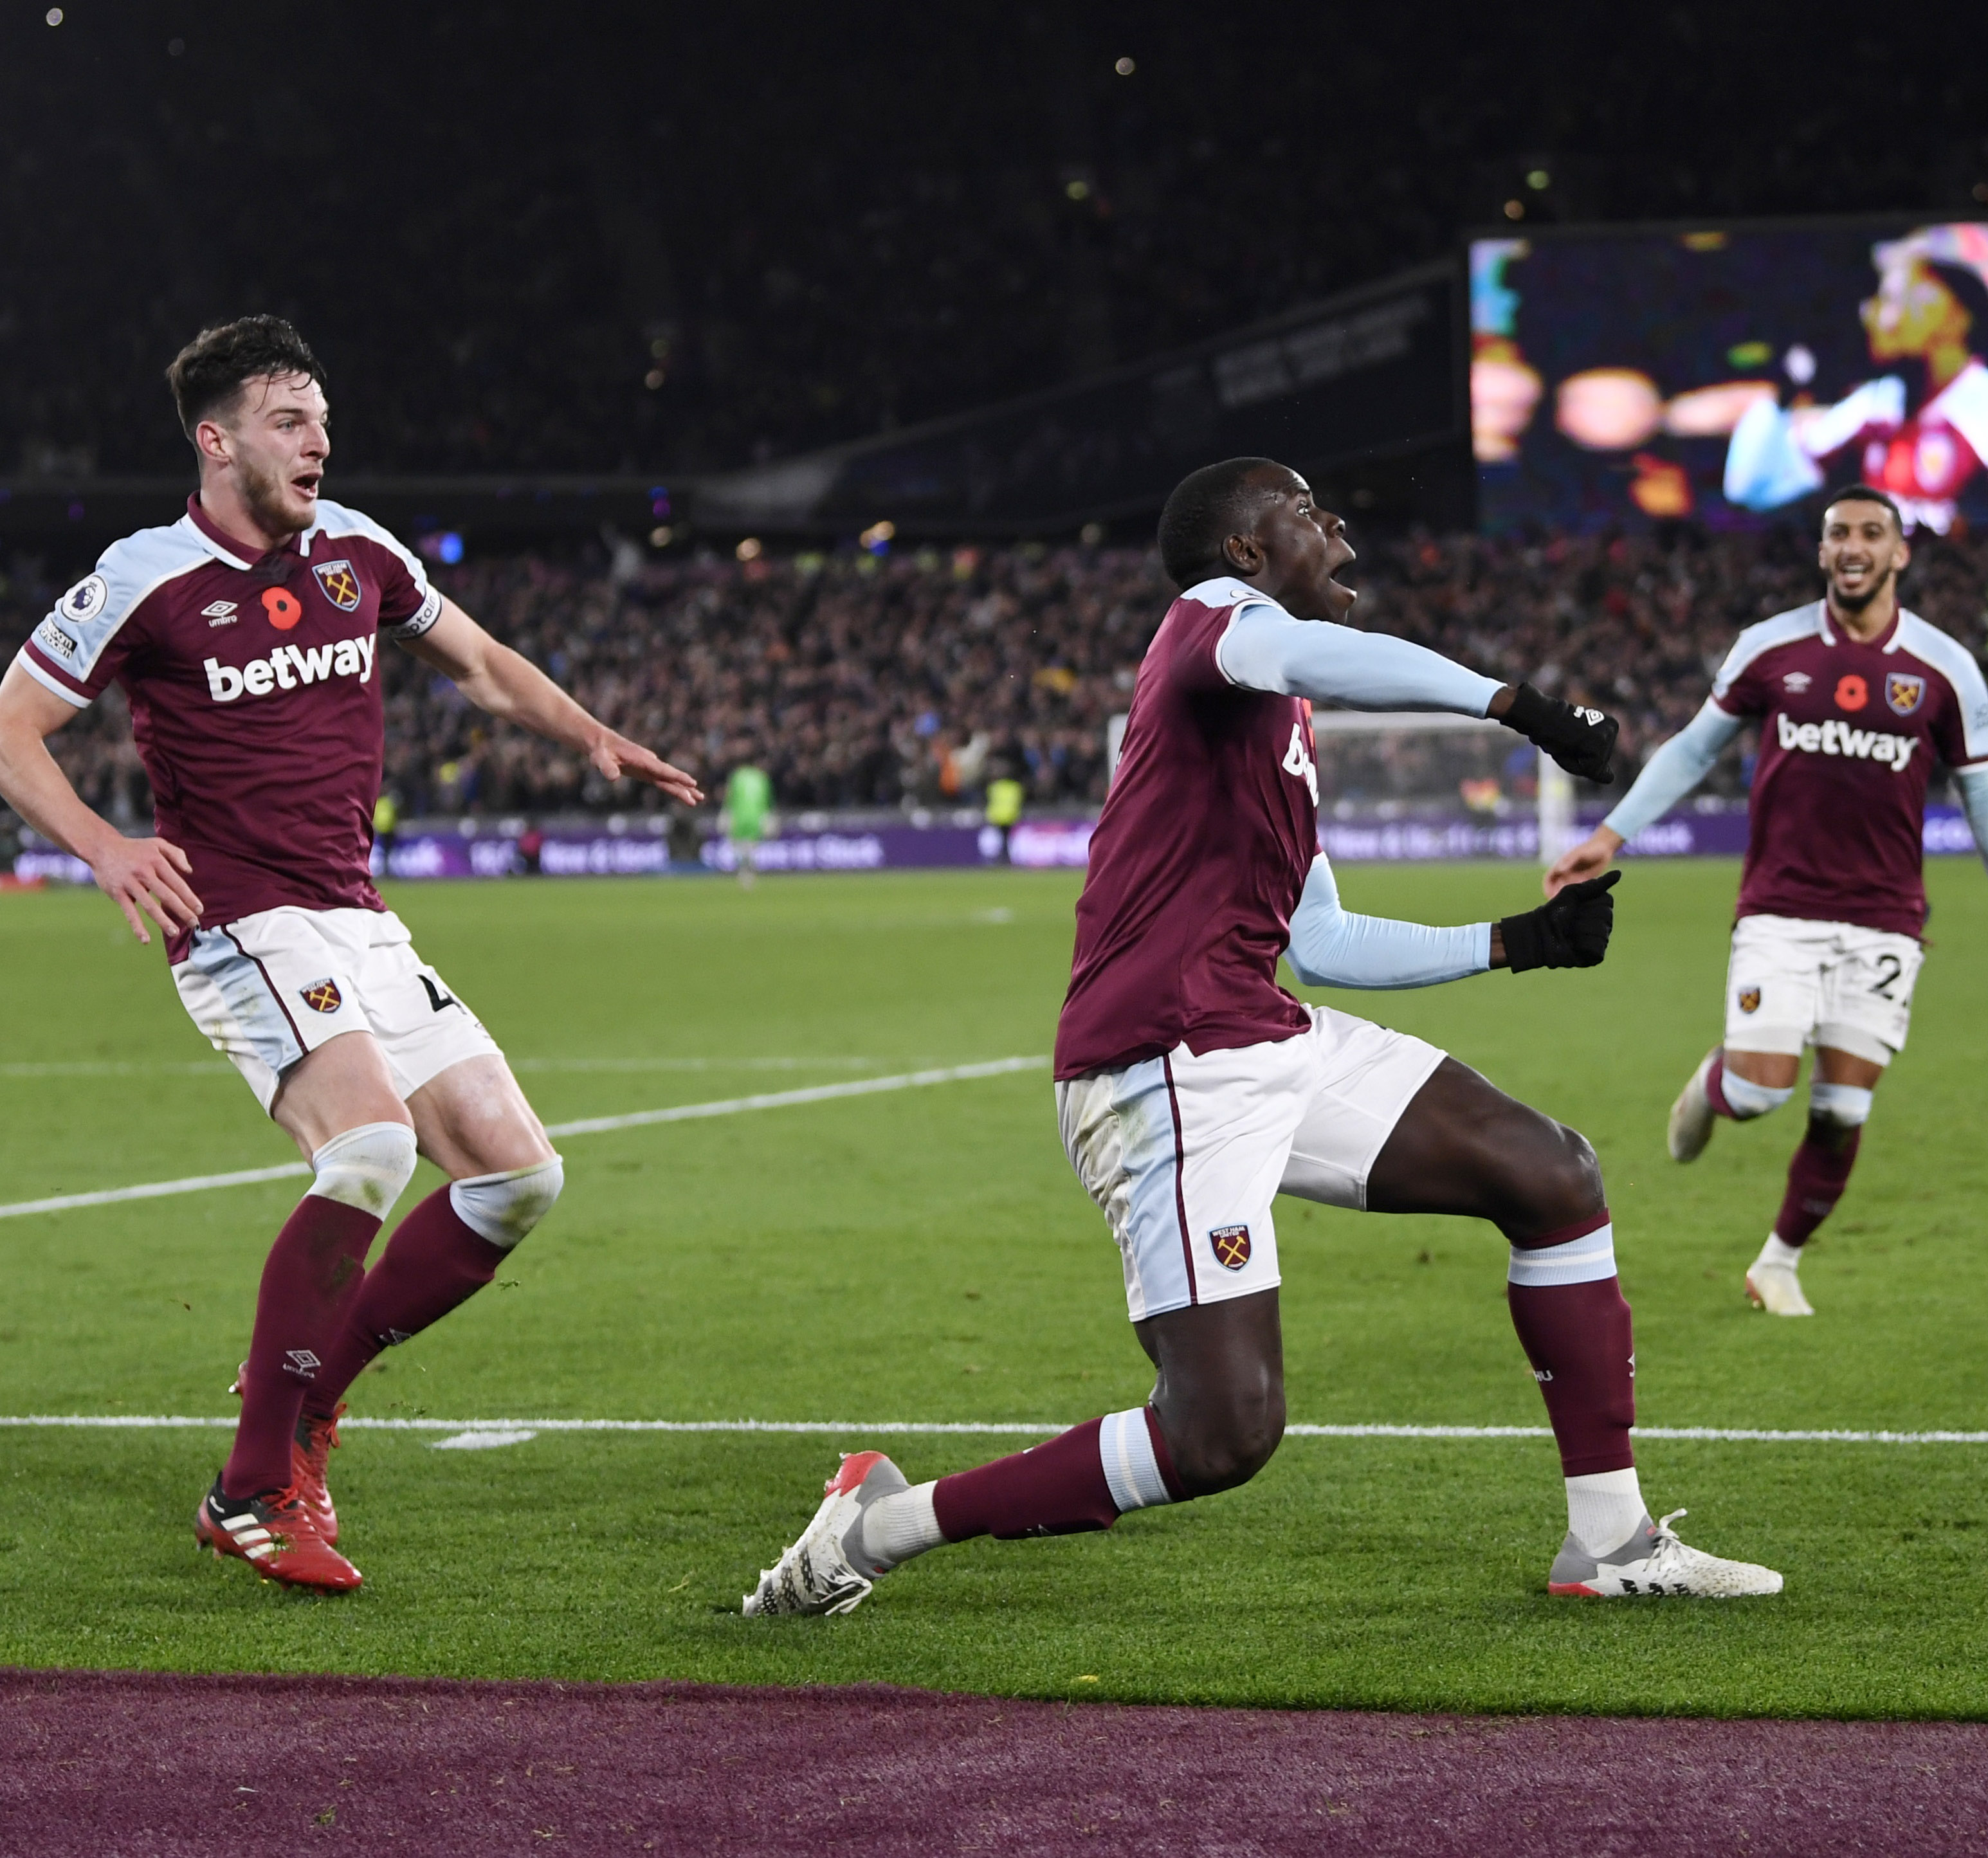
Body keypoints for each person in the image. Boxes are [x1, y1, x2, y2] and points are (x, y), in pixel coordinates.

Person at [745, 458, 1785, 1616]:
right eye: (1306, 510)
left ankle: (1611, 1539)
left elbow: (1324, 940)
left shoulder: (1266, 705)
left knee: (1551, 1172)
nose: (1336, 524)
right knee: (1221, 1429)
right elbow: (1317, 658)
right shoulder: (1215, 625)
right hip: (1171, 1062)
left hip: (1261, 1029)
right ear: (1246, 551)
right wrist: (1520, 705)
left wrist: (1517, 942)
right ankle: (879, 1522)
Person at [0, 316, 701, 1592]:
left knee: (517, 1180)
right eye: (289, 420)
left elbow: (474, 660)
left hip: (357, 916)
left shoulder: (357, 549)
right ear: (217, 440)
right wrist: (102, 845)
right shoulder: (144, 575)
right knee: (366, 1148)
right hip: (239, 916)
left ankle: (304, 1386)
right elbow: (5, 736)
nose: (319, 439)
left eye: (321, 418)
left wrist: (591, 733)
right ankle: (249, 1488)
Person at [1544, 486, 1988, 1318]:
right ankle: (1713, 1084)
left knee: (1843, 1109)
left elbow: (1982, 795)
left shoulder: (1945, 668)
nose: (1854, 546)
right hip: (1781, 908)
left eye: (1871, 533)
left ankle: (1778, 1262)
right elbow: (1693, 748)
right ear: (1822, 553)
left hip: (1887, 918)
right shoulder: (1770, 648)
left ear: (1899, 553)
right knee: (1761, 1092)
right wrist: (1613, 833)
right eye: (1838, 533)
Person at [1724, 226, 1988, 535]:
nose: (1872, 313)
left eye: (1891, 298)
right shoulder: (1879, 401)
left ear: (1950, 310)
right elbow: (1750, 490)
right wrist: (1783, 393)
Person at [720, 754, 772, 887]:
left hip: (740, 817)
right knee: (752, 847)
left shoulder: (736, 777)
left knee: (739, 847)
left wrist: (725, 815)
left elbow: (729, 798)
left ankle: (744, 873)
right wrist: (768, 818)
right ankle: (750, 873)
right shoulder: (761, 777)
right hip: (756, 817)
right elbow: (767, 800)